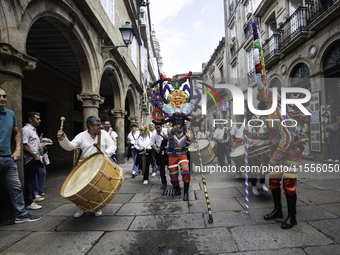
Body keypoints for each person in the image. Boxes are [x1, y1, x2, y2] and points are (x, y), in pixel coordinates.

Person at [57, 116, 116, 218]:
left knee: (99, 187)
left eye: (100, 124)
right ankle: (82, 208)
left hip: (101, 165)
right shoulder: (81, 135)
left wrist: (106, 152)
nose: (100, 126)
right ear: (90, 126)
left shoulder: (104, 134)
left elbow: (113, 145)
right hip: (87, 166)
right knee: (83, 188)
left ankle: (98, 207)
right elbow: (70, 146)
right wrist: (63, 139)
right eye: (97, 125)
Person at [0, 87, 41, 223]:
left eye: (4, 96)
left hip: (8, 158)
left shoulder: (10, 114)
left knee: (16, 187)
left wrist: (17, 149)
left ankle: (21, 214)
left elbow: (17, 133)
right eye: (0, 96)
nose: (2, 99)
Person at [22, 112, 46, 210]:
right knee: (29, 181)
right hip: (31, 159)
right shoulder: (26, 130)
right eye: (37, 119)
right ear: (30, 119)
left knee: (32, 180)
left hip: (36, 158)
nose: (39, 120)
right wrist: (34, 156)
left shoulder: (33, 130)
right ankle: (29, 202)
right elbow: (24, 145)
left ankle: (33, 197)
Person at [168, 114, 191, 201]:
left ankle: (185, 193)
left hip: (182, 154)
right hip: (172, 155)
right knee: (173, 176)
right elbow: (169, 135)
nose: (179, 122)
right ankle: (177, 189)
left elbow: (191, 140)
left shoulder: (187, 131)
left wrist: (193, 136)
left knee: (186, 171)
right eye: (177, 120)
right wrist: (174, 129)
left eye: (180, 120)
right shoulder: (170, 129)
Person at [248, 115, 269, 195]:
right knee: (254, 169)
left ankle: (262, 184)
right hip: (254, 151)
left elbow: (267, 138)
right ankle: (254, 186)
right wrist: (252, 142)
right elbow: (248, 139)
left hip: (263, 151)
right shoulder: (251, 129)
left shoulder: (264, 129)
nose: (251, 121)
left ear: (257, 122)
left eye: (253, 120)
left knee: (263, 168)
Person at [151, 121, 169, 189]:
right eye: (156, 128)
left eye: (158, 127)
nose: (157, 129)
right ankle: (164, 183)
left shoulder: (166, 131)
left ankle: (174, 181)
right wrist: (155, 149)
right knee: (161, 168)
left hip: (168, 152)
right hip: (160, 152)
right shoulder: (154, 134)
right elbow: (151, 143)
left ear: (161, 126)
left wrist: (166, 137)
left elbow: (172, 139)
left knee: (171, 168)